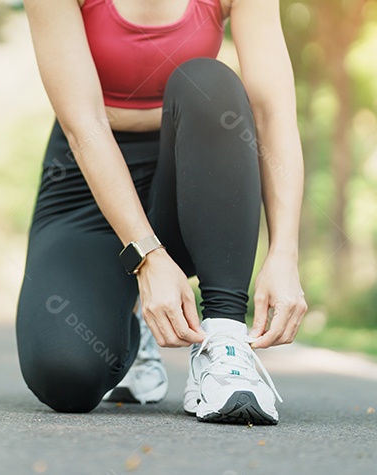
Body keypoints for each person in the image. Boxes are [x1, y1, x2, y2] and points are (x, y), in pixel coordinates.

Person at [16, 0, 308, 425]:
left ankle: (224, 342)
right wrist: (147, 256)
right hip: (89, 178)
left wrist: (285, 252)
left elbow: (273, 114)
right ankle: (129, 323)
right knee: (64, 376)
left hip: (196, 176)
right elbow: (86, 127)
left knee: (208, 80)